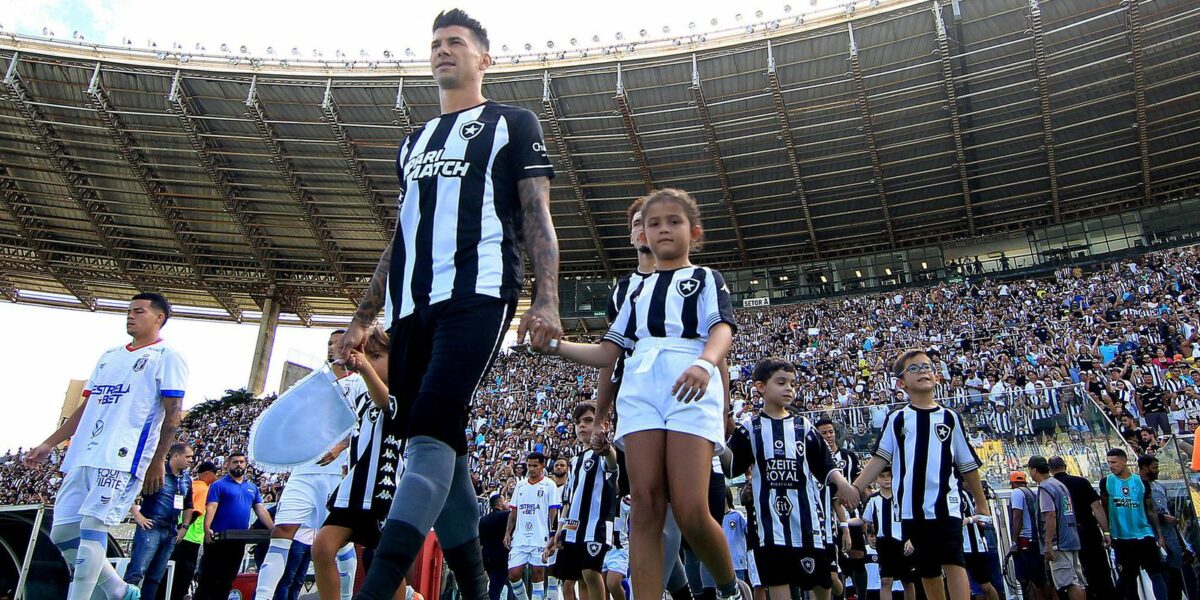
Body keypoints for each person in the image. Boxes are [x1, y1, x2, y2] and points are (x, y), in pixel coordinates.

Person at [342, 8, 562, 600]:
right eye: (436, 42)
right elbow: (402, 231)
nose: (443, 50)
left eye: (456, 42)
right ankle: (477, 587)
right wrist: (366, 313)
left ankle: (379, 587)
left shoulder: (513, 123)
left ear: (483, 58)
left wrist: (546, 300)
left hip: (480, 293)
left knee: (428, 436)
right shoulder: (412, 142)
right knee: (448, 452)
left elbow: (538, 215)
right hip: (412, 307)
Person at [533, 188, 752, 600]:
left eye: (674, 221)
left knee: (690, 508)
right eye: (653, 223)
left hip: (690, 379)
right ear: (642, 235)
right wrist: (555, 346)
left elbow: (722, 328)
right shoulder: (632, 292)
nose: (663, 229)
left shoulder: (706, 278)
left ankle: (728, 587)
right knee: (645, 508)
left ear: (696, 232)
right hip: (640, 387)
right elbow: (607, 352)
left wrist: (705, 365)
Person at [23, 292, 189, 600]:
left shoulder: (167, 357)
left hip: (121, 456)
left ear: (158, 318)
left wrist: (157, 460)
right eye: (128, 311)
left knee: (91, 530)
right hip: (85, 453)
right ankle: (118, 590)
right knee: (62, 532)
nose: (130, 316)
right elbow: (86, 407)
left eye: (139, 311)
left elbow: (173, 411)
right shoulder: (109, 355)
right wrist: (49, 443)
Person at [852, 349, 991, 600]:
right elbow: (880, 457)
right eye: (914, 368)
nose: (923, 372)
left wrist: (981, 502)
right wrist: (856, 487)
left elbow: (967, 464)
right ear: (901, 383)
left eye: (927, 367)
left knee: (954, 561)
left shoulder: (949, 418)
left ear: (936, 376)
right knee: (928, 568)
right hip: (911, 510)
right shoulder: (897, 419)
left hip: (946, 505)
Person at [728, 357, 860, 600]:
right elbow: (731, 467)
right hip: (770, 529)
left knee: (823, 585)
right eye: (781, 382)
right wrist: (717, 438)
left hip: (809, 526)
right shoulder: (750, 428)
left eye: (792, 383)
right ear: (760, 387)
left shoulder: (804, 426)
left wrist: (842, 484)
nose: (789, 388)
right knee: (778, 585)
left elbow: (825, 465)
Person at [256, 332, 355, 600]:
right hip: (304, 471)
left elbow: (364, 422)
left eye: (338, 342)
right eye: (329, 343)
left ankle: (345, 597)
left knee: (340, 540)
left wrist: (341, 446)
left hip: (337, 474)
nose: (332, 347)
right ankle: (262, 596)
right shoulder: (315, 381)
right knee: (282, 530)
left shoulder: (359, 382)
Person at [313, 326, 405, 600]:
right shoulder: (362, 398)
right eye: (367, 356)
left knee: (387, 567)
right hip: (353, 490)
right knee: (322, 548)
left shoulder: (403, 392)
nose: (370, 362)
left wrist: (364, 368)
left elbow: (387, 404)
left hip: (383, 492)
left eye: (376, 356)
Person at [548, 402, 618, 600]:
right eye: (578, 422)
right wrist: (560, 528)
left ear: (603, 424)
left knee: (590, 571)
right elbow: (568, 500)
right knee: (576, 578)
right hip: (573, 528)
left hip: (596, 526)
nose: (582, 425)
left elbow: (612, 465)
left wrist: (607, 450)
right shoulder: (575, 461)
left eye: (588, 420)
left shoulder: (602, 453)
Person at [194, 452, 274, 600]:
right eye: (235, 462)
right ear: (228, 464)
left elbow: (260, 510)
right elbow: (211, 507)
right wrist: (207, 528)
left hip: (238, 540)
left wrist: (273, 529)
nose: (239, 464)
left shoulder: (252, 488)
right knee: (209, 578)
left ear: (246, 464)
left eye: (241, 462)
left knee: (228, 578)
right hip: (218, 539)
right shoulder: (218, 485)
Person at [124, 443, 195, 600]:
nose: (191, 460)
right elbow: (130, 492)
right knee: (136, 572)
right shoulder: (156, 472)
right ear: (175, 456)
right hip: (151, 526)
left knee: (155, 577)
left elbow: (188, 505)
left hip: (171, 530)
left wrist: (184, 526)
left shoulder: (186, 480)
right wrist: (138, 515)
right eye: (188, 456)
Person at [1099, 448, 1167, 600]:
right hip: (1121, 537)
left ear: (1124, 461)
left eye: (1114, 462)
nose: (1111, 465)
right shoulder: (1106, 482)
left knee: (1155, 573)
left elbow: (1150, 510)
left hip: (1144, 535)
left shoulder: (1141, 482)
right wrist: (1106, 532)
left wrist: (1159, 535)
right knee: (1128, 577)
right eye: (1109, 462)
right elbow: (1103, 508)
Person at [1047, 456, 1114, 600]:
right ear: (1065, 466)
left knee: (1074, 577)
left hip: (1065, 537)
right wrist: (1106, 531)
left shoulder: (1050, 486)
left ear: (1050, 469)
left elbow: (1050, 515)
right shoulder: (1081, 482)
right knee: (1099, 571)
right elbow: (1097, 507)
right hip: (1089, 532)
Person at [1028, 456, 1086, 600]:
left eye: (1029, 469)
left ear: (1034, 470)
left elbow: (1050, 515)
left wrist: (1048, 544)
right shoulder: (1058, 484)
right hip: (1071, 537)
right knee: (1078, 581)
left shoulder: (1045, 487)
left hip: (1059, 542)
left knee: (1069, 583)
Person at [505, 452, 560, 600]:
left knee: (537, 573)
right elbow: (513, 512)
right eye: (529, 465)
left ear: (542, 465)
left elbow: (554, 512)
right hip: (520, 537)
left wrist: (553, 536)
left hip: (540, 536)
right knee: (513, 574)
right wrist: (507, 533)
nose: (531, 468)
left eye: (535, 465)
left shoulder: (549, 485)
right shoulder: (521, 485)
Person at [856, 468, 914, 600]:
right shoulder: (873, 499)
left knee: (908, 581)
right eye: (882, 476)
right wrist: (844, 522)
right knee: (886, 580)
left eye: (889, 475)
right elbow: (863, 519)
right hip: (885, 543)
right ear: (877, 480)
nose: (887, 479)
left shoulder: (902, 496)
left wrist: (911, 539)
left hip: (903, 541)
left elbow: (912, 519)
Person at [1138, 455, 1185, 600]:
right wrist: (1162, 518)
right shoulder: (1138, 486)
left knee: (1175, 571)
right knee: (1161, 573)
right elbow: (1143, 512)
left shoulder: (1161, 486)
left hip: (1169, 533)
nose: (1157, 471)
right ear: (1144, 467)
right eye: (1154, 467)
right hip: (1152, 534)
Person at [171, 461, 217, 600]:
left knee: (173, 572)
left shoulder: (191, 485)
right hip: (190, 537)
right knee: (183, 575)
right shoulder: (204, 489)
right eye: (215, 473)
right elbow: (196, 510)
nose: (217, 476)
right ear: (207, 473)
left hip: (180, 534)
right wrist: (184, 529)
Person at [1009, 471, 1052, 600]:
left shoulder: (1017, 493)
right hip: (1036, 540)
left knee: (1026, 579)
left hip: (1025, 540)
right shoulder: (1031, 493)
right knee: (1041, 578)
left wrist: (1014, 541)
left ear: (1013, 483)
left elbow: (1017, 516)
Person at [479, 494, 512, 600]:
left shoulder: (483, 520)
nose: (507, 503)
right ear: (499, 504)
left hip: (487, 557)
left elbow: (480, 541)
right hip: (501, 558)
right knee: (495, 589)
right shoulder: (506, 516)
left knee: (503, 583)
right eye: (505, 501)